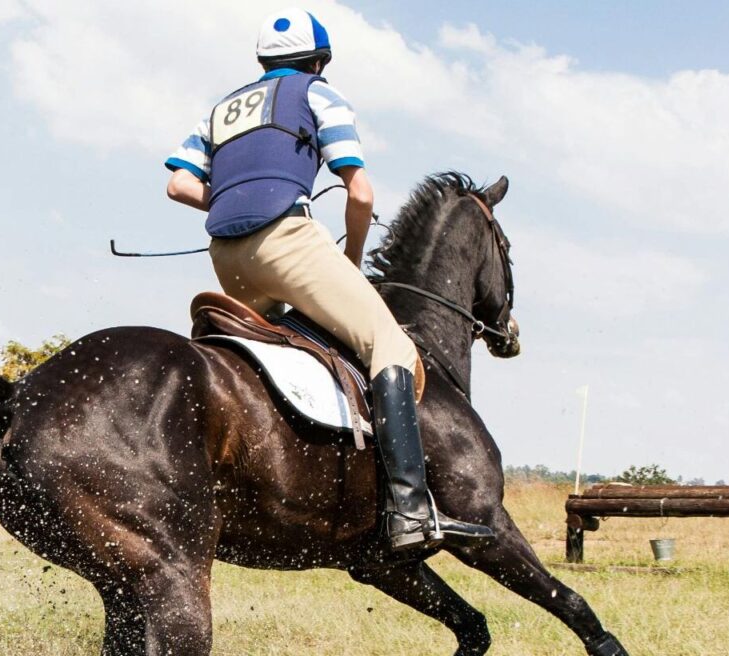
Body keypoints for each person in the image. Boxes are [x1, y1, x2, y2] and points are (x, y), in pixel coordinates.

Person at [164, 8, 492, 549]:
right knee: (389, 343)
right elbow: (360, 192)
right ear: (320, 62)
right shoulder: (318, 94)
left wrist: (226, 199)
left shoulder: (223, 109)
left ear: (262, 61)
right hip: (288, 243)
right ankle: (410, 511)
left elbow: (178, 185)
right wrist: (353, 258)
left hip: (225, 257)